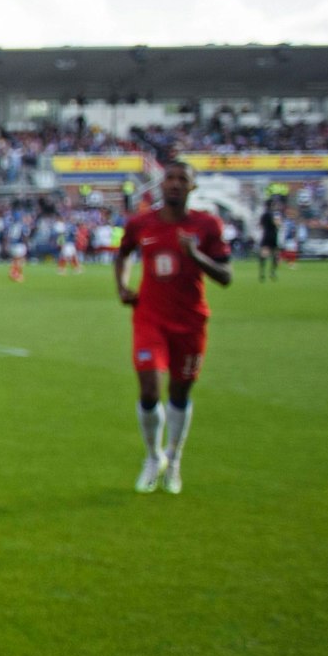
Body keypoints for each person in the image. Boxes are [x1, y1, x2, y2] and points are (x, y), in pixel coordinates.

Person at [115, 161, 231, 495]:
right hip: (149, 318)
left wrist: (195, 255)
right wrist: (123, 286)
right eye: (170, 178)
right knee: (149, 389)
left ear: (192, 188)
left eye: (183, 180)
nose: (175, 184)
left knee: (180, 392)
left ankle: (174, 457)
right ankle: (153, 457)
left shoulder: (206, 225)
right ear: (160, 185)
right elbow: (123, 254)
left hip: (191, 322)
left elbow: (225, 276)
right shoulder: (141, 223)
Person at [257, 201, 281, 282]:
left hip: (266, 235)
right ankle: (272, 272)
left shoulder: (263, 215)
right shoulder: (274, 214)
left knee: (264, 254)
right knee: (275, 254)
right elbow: (277, 224)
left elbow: (260, 225)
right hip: (273, 235)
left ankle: (262, 272)